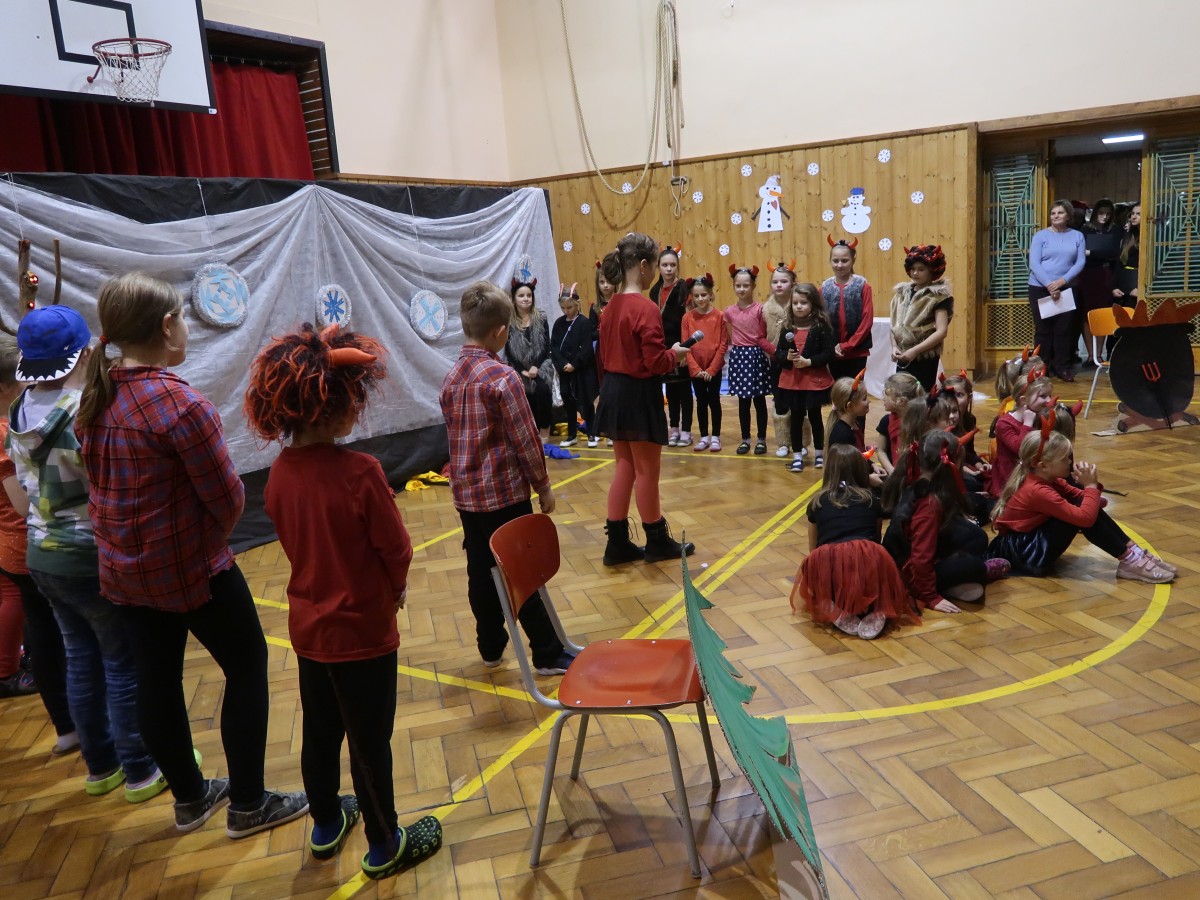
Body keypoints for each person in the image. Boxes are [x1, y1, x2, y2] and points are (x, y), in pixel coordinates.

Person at [76, 273, 307, 836]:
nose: (185, 326)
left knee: (156, 680)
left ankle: (191, 798)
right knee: (247, 665)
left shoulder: (96, 396)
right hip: (192, 572)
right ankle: (249, 804)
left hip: (125, 575)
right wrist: (204, 545)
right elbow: (228, 499)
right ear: (166, 326)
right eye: (181, 316)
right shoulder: (180, 405)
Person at [245, 324, 442, 879]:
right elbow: (396, 549)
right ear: (332, 407)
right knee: (370, 742)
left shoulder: (278, 474)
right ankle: (385, 845)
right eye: (354, 398)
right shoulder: (362, 473)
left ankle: (327, 823)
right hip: (363, 634)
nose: (359, 406)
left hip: (310, 631)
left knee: (320, 732)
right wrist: (395, 589)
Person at [8, 306, 165, 802]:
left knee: (79, 657)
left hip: (41, 554)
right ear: (82, 354)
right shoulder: (82, 411)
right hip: (88, 555)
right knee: (121, 662)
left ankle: (100, 766)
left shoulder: (19, 409)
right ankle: (140, 769)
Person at [439, 281, 575, 672]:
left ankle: (490, 646)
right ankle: (547, 652)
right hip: (504, 497)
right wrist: (543, 487)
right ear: (501, 333)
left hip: (467, 499)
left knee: (480, 571)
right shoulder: (503, 378)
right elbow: (527, 440)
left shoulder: (450, 379)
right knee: (521, 571)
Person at [594, 233, 694, 564]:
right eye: (653, 265)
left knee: (624, 468)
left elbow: (604, 357)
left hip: (613, 392)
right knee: (647, 471)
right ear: (642, 265)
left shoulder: (609, 307)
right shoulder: (646, 308)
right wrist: (675, 354)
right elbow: (655, 362)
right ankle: (656, 541)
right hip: (638, 395)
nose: (654, 272)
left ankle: (617, 544)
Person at [0, 334, 73, 739]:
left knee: (43, 634)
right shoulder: (5, 431)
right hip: (25, 545)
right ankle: (69, 724)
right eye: (21, 378)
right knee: (54, 638)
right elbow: (22, 505)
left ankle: (67, 728)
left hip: (13, 547)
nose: (29, 382)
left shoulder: (13, 422)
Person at [989, 425, 1175, 583]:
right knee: (1080, 514)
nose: (1070, 462)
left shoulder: (1051, 480)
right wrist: (1090, 486)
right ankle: (1130, 560)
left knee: (1083, 506)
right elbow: (1085, 518)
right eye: (1064, 459)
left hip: (1028, 543)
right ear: (1043, 465)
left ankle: (1133, 553)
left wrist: (1090, 490)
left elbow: (1097, 503)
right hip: (1022, 553)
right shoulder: (1037, 490)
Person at [791, 444, 917, 639]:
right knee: (877, 557)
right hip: (866, 554)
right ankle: (877, 606)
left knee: (813, 564)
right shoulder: (871, 500)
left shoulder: (817, 502)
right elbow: (875, 539)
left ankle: (830, 601)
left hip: (828, 559)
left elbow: (813, 547)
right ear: (861, 470)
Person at [884, 431, 1010, 613]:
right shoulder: (929, 505)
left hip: (912, 550)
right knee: (974, 571)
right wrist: (930, 597)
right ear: (951, 463)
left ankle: (957, 576)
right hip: (908, 568)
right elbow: (920, 557)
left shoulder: (919, 478)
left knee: (977, 537)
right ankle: (943, 584)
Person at [774, 283, 834, 473]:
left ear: (813, 304)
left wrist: (809, 361)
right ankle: (797, 455)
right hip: (793, 382)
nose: (799, 306)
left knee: (815, 417)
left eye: (804, 303)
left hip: (813, 381)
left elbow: (828, 353)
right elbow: (778, 352)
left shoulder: (821, 327)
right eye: (795, 303)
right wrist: (787, 357)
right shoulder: (787, 327)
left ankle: (819, 454)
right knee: (796, 418)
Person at [1028, 199, 1086, 382]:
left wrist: (1062, 281)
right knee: (1043, 330)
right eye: (1053, 213)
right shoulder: (1040, 236)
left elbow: (1080, 262)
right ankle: (1042, 367)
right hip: (1040, 287)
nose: (1055, 216)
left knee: (1064, 329)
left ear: (1068, 216)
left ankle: (1062, 367)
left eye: (1060, 213)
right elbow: (1034, 263)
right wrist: (1049, 285)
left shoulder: (1077, 236)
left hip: (1066, 287)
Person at [724, 265, 775, 455]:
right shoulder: (729, 312)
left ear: (753, 286)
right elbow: (729, 334)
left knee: (759, 400)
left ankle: (761, 439)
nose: (742, 289)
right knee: (743, 402)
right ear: (734, 286)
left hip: (756, 356)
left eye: (746, 285)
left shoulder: (760, 309)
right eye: (738, 285)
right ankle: (745, 438)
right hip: (739, 357)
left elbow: (764, 333)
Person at [889, 245, 952, 391]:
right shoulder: (901, 294)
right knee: (901, 394)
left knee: (921, 395)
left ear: (932, 270)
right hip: (903, 355)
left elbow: (941, 331)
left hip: (925, 357)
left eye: (921, 269)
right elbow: (894, 324)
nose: (915, 273)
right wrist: (894, 346)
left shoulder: (938, 297)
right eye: (913, 269)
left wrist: (915, 351)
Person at [651, 245, 694, 447]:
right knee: (670, 390)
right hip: (664, 347)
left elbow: (690, 320)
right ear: (658, 267)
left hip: (681, 345)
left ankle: (686, 430)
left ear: (677, 266)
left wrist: (686, 350)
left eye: (672, 265)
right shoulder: (654, 291)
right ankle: (674, 428)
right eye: (664, 265)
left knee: (684, 391)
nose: (668, 269)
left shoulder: (684, 288)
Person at [681, 274, 729, 452]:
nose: (700, 299)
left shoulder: (720, 316)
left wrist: (711, 369)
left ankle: (715, 436)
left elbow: (723, 344)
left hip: (713, 368)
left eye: (704, 295)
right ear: (692, 297)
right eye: (696, 296)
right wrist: (695, 369)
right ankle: (703, 436)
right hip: (697, 369)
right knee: (701, 402)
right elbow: (685, 345)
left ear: (710, 294)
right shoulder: (687, 318)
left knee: (714, 400)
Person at [989, 369, 1052, 498]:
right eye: (1043, 396)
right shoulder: (1004, 423)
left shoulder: (1039, 416)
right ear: (1023, 400)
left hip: (1032, 472)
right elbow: (1020, 450)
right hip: (1010, 479)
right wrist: (1027, 424)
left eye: (1049, 395)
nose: (1049, 400)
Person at [550, 284, 598, 448]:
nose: (566, 311)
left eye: (569, 307)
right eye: (563, 308)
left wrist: (574, 364)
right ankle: (572, 435)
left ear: (577, 305)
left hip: (581, 370)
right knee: (568, 401)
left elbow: (586, 348)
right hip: (565, 370)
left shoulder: (584, 323)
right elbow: (554, 346)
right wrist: (563, 364)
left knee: (586, 401)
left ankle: (592, 433)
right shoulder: (559, 323)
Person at [505, 274, 553, 436]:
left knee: (542, 390)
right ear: (514, 299)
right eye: (521, 296)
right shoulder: (509, 322)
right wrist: (522, 370)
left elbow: (545, 346)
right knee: (526, 396)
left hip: (540, 365)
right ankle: (532, 431)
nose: (526, 299)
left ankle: (545, 428)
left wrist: (536, 367)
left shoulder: (541, 318)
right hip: (520, 367)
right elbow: (509, 350)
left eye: (529, 295)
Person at [821, 238, 874, 381]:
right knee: (837, 389)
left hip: (857, 351)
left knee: (855, 388)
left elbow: (867, 320)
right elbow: (820, 319)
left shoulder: (862, 286)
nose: (839, 265)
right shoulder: (825, 287)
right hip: (833, 351)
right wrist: (831, 346)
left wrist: (848, 345)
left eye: (844, 261)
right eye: (835, 261)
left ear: (853, 260)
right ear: (830, 261)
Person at [1078, 198, 1122, 365]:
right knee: (1086, 315)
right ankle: (1091, 355)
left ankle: (1099, 354)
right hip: (1086, 275)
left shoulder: (1116, 229)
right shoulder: (1085, 229)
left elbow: (1114, 253)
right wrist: (1100, 253)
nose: (1104, 216)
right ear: (1095, 213)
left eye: (1108, 213)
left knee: (1102, 313)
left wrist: (1092, 253)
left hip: (1105, 274)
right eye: (1101, 213)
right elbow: (1080, 252)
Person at [765, 260, 797, 458]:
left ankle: (800, 441)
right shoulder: (765, 309)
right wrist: (775, 352)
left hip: (797, 362)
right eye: (775, 282)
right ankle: (783, 442)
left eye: (783, 281)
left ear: (793, 284)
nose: (779, 285)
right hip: (776, 361)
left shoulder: (799, 306)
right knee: (780, 401)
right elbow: (760, 336)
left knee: (799, 403)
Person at [875, 372, 922, 475]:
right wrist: (893, 472)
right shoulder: (886, 421)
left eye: (886, 395)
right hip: (893, 473)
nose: (883, 398)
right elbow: (881, 451)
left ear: (901, 401)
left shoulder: (919, 421)